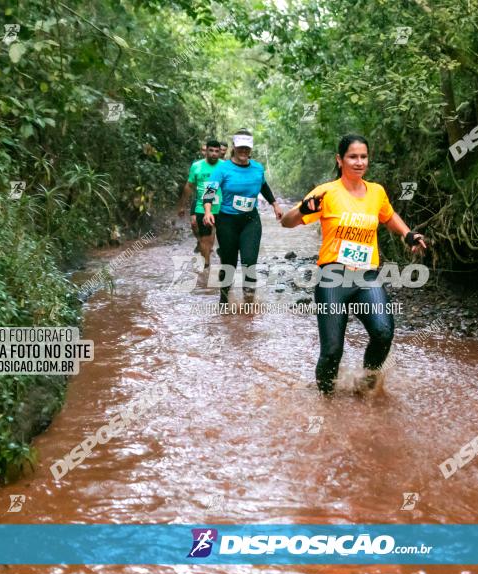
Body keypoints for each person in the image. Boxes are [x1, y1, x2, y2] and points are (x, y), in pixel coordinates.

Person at [280, 134, 427, 394]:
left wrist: (407, 234)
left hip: (365, 278)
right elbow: (287, 222)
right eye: (352, 157)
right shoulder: (326, 192)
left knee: (383, 332)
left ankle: (366, 385)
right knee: (332, 352)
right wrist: (303, 209)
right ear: (340, 160)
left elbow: (389, 216)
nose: (359, 162)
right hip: (332, 278)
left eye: (363, 157)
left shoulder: (376, 192)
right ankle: (326, 402)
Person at [202, 129, 283, 304]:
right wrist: (208, 211)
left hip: (250, 221)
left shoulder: (257, 168)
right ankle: (223, 301)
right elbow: (209, 192)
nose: (244, 151)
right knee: (229, 264)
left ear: (251, 148)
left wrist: (275, 204)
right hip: (227, 221)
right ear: (234, 147)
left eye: (247, 148)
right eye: (241, 148)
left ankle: (248, 306)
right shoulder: (223, 168)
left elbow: (264, 187)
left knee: (249, 263)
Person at [178, 140, 223, 267]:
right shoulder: (197, 166)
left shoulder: (225, 166)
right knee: (204, 238)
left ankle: (223, 267)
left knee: (221, 239)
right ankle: (206, 265)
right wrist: (182, 205)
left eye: (216, 151)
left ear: (220, 152)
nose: (214, 154)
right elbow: (189, 186)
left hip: (221, 208)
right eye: (211, 150)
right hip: (202, 208)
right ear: (206, 151)